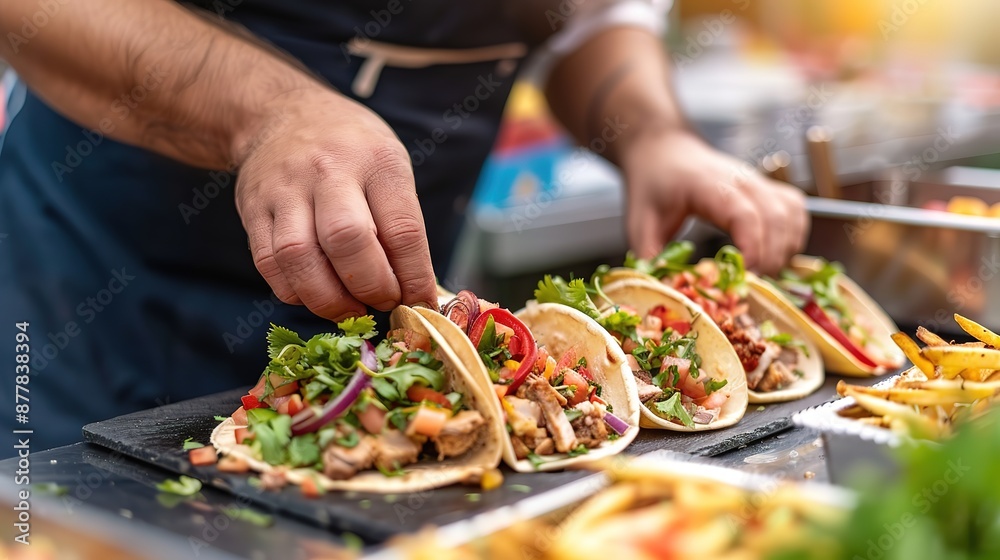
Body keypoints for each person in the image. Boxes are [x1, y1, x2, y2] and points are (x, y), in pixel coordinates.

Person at [0, 0, 807, 452]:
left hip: (392, 325)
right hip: (96, 283)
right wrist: (268, 112)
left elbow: (592, 19)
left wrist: (650, 135)